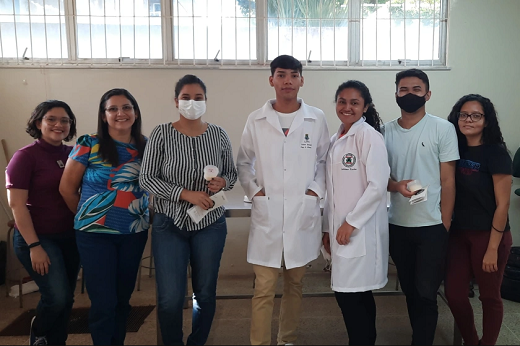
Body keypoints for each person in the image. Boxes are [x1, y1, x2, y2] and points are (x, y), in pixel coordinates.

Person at [237, 55, 330, 345]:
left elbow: (325, 160)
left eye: (293, 74)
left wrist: (315, 190)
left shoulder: (316, 118)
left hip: (302, 215)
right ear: (271, 80)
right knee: (263, 288)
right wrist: (255, 191)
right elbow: (243, 163)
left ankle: (287, 339)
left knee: (296, 285)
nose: (287, 80)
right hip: (269, 215)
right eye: (281, 75)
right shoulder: (257, 118)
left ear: (302, 79)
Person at [139, 74, 237, 346]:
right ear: (175, 101)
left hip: (210, 224)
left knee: (204, 295)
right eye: (186, 97)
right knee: (170, 299)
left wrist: (223, 182)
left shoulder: (218, 134)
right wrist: (185, 194)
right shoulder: (161, 133)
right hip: (169, 223)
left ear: (206, 101)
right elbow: (146, 178)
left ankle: (197, 342)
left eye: (198, 98)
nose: (192, 103)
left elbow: (231, 172)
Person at [59, 89, 149, 345]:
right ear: (104, 114)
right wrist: (89, 215)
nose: (121, 113)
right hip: (95, 235)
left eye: (127, 107)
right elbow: (67, 189)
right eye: (113, 108)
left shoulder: (146, 144)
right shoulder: (89, 142)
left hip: (134, 232)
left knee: (123, 299)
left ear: (135, 111)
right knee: (103, 301)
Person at [384, 68, 459, 345]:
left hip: (432, 226)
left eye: (416, 89)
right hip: (397, 224)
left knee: (427, 292)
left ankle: (422, 341)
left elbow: (448, 180)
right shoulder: (384, 132)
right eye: (404, 89)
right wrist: (395, 186)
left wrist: (445, 222)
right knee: (411, 291)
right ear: (396, 94)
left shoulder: (443, 128)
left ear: (427, 94)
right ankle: (420, 334)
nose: (410, 94)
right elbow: (381, 178)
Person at [6, 100, 79, 346]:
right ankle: (38, 331)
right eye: (52, 119)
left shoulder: (72, 154)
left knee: (67, 298)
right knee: (56, 296)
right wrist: (34, 245)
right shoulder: (24, 157)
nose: (59, 124)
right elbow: (17, 205)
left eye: (65, 120)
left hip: (70, 236)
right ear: (39, 123)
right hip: (38, 238)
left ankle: (56, 342)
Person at [322, 81, 390, 345]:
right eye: (342, 101)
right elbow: (332, 190)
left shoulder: (368, 136)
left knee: (350, 296)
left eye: (354, 103)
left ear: (365, 107)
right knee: (357, 295)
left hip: (358, 231)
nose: (347, 107)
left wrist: (350, 222)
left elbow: (377, 185)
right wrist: (327, 228)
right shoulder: (335, 140)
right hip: (341, 230)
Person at [445, 94, 513, 346]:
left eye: (476, 115)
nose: (468, 120)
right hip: (460, 234)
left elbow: (503, 204)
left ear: (486, 121)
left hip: (489, 236)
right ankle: (471, 341)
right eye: (463, 114)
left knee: (489, 297)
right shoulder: (454, 148)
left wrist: (493, 249)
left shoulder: (495, 152)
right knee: (454, 294)